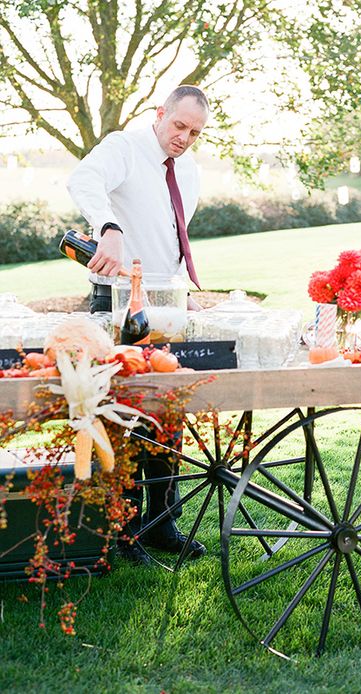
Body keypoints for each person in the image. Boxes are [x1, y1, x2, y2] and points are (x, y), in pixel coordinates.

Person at [67, 85, 210, 565]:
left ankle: (160, 521)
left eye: (194, 132)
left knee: (168, 408)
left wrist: (181, 295)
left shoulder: (188, 169)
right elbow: (84, 179)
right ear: (160, 114)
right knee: (124, 408)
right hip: (115, 302)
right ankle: (122, 526)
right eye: (179, 126)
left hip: (165, 301)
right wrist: (108, 227)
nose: (184, 138)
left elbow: (170, 236)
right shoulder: (124, 146)